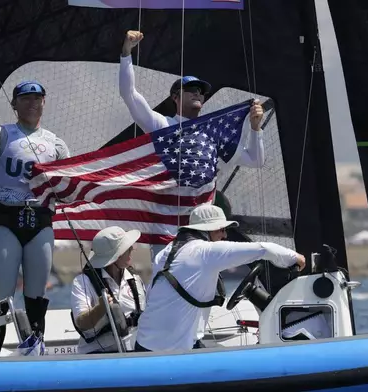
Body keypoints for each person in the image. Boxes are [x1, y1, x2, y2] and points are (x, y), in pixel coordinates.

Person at [119, 29, 268, 343]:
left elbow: (255, 159)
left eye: (201, 91)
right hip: (166, 228)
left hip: (201, 230)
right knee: (168, 285)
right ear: (175, 97)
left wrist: (255, 129)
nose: (197, 94)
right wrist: (126, 53)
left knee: (202, 286)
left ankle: (193, 339)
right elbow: (131, 97)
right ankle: (155, 342)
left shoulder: (213, 135)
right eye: (189, 90)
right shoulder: (162, 126)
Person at [0, 80, 70, 356]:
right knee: (1, 296)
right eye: (25, 98)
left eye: (36, 98)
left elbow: (68, 182)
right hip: (6, 219)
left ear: (44, 102)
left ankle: (35, 352)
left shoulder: (56, 143)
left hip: (40, 221)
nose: (31, 103)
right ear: (14, 104)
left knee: (36, 296)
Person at [134, 205, 305, 353]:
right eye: (222, 229)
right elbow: (263, 249)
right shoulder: (204, 252)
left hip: (145, 342)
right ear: (208, 230)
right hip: (170, 350)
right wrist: (297, 259)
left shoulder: (168, 251)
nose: (224, 235)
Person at [70, 226, 147, 354]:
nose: (133, 248)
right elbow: (81, 323)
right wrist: (100, 308)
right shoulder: (81, 282)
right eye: (127, 247)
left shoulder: (135, 279)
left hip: (132, 352)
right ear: (116, 256)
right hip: (98, 354)